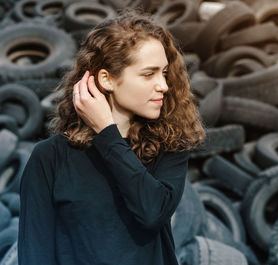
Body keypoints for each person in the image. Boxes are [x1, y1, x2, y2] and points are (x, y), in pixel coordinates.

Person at [18, 9, 205, 265]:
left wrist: (107, 132)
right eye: (149, 74)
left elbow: (152, 212)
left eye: (164, 72)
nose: (164, 85)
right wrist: (108, 134)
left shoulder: (170, 145)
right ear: (106, 79)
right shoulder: (50, 157)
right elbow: (35, 253)